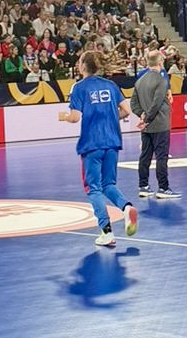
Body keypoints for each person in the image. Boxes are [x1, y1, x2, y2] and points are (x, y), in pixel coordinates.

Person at [58, 48, 139, 249]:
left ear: (83, 66)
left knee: (93, 188)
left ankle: (106, 232)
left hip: (92, 144)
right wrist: (111, 117)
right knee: (108, 184)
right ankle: (126, 207)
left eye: (78, 61)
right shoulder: (111, 85)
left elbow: (75, 117)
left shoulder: (79, 88)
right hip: (112, 141)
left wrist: (64, 117)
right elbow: (126, 111)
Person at [132, 50, 174, 200]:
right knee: (161, 156)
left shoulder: (139, 81)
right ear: (161, 62)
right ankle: (163, 187)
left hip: (147, 126)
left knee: (145, 156)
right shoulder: (161, 80)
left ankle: (143, 186)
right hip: (160, 124)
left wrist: (142, 116)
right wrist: (147, 118)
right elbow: (157, 103)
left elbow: (133, 104)